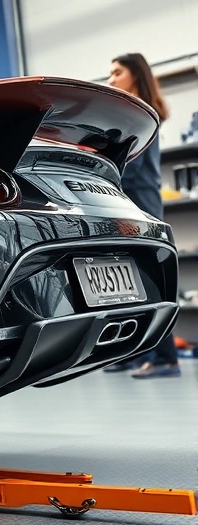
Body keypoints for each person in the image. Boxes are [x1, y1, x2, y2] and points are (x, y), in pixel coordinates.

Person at [101, 53, 180, 379]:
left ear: (136, 75)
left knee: (151, 279)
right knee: (129, 279)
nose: (111, 79)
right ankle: (136, 354)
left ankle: (166, 358)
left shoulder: (142, 114)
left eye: (118, 73)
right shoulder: (130, 114)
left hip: (141, 197)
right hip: (128, 196)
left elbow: (132, 167)